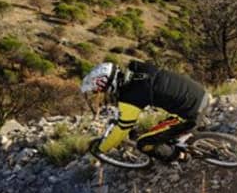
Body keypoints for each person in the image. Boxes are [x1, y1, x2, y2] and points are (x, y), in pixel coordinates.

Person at [81, 60, 209, 161]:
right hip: (202, 95)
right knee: (160, 126)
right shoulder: (138, 68)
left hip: (191, 113)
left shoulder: (130, 97)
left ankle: (181, 156)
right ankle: (192, 131)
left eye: (100, 90)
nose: (102, 92)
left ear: (108, 84)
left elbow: (121, 130)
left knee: (144, 144)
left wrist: (101, 149)